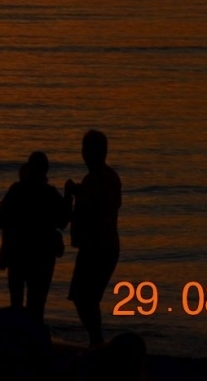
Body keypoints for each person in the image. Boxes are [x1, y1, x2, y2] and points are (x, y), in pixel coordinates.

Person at [0, 151, 69, 320]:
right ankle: (32, 340)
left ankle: (18, 339)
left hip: (17, 254)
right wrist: (68, 197)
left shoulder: (16, 191)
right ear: (46, 171)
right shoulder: (49, 194)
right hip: (42, 257)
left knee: (16, 304)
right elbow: (63, 221)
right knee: (37, 306)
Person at [65, 129, 122, 346]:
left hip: (98, 248)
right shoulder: (103, 179)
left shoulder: (100, 179)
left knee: (85, 298)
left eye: (85, 150)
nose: (83, 154)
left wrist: (76, 194)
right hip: (102, 246)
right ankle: (95, 340)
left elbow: (95, 208)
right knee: (86, 298)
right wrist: (79, 192)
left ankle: (96, 341)